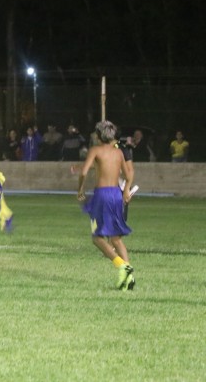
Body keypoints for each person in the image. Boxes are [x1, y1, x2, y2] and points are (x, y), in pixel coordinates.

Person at [77, 120, 135, 291]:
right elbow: (128, 175)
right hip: (116, 194)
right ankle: (129, 277)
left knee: (97, 238)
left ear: (99, 135)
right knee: (116, 238)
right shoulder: (118, 152)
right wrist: (126, 191)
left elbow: (83, 172)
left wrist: (80, 189)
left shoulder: (95, 150)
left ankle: (122, 266)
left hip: (102, 195)